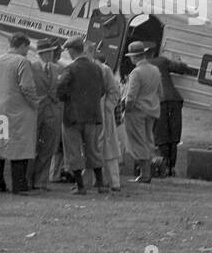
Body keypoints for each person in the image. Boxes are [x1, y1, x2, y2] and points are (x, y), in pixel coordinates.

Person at [55, 37, 108, 195]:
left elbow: (60, 89)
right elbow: (102, 90)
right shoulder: (97, 68)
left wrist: (67, 99)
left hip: (72, 116)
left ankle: (80, 186)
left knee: (73, 151)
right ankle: (100, 185)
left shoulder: (70, 69)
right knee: (93, 149)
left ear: (72, 51)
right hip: (92, 115)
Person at [0, 32, 40, 194]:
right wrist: (35, 103)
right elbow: (27, 86)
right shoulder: (22, 61)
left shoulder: (0, 60)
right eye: (27, 47)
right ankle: (19, 185)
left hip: (0, 110)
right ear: (22, 45)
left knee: (0, 146)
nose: (27, 51)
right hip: (19, 111)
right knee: (20, 147)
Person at [147, 45, 193, 174]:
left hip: (159, 102)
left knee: (161, 136)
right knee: (173, 136)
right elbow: (180, 68)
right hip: (175, 99)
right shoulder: (162, 61)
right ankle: (172, 166)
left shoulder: (141, 67)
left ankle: (164, 165)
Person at [122, 41, 163, 184]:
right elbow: (161, 93)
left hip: (137, 111)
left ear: (134, 57)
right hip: (152, 111)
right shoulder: (155, 70)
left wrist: (125, 110)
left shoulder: (136, 72)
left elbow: (131, 96)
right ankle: (146, 173)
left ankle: (145, 174)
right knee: (147, 140)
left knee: (138, 142)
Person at [28, 42, 63, 191]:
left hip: (53, 112)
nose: (50, 54)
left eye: (51, 52)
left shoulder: (56, 68)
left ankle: (41, 181)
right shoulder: (31, 67)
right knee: (32, 146)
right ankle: (28, 180)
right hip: (36, 110)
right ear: (40, 53)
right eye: (47, 52)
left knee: (48, 147)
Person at [92, 43, 125, 192]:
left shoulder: (104, 70)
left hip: (104, 113)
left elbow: (114, 92)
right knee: (93, 147)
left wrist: (108, 108)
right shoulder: (94, 68)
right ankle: (95, 180)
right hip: (93, 112)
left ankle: (114, 181)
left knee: (109, 149)